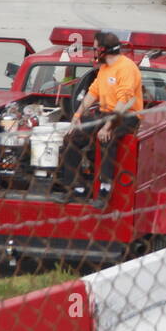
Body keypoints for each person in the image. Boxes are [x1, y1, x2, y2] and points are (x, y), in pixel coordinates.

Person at [54, 32, 143, 203]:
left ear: (103, 50)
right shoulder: (104, 68)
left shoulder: (127, 68)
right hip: (105, 113)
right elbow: (93, 92)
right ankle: (77, 188)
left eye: (95, 48)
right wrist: (77, 115)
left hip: (126, 114)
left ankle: (105, 189)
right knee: (72, 138)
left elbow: (124, 100)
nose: (93, 52)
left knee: (106, 139)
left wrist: (108, 127)